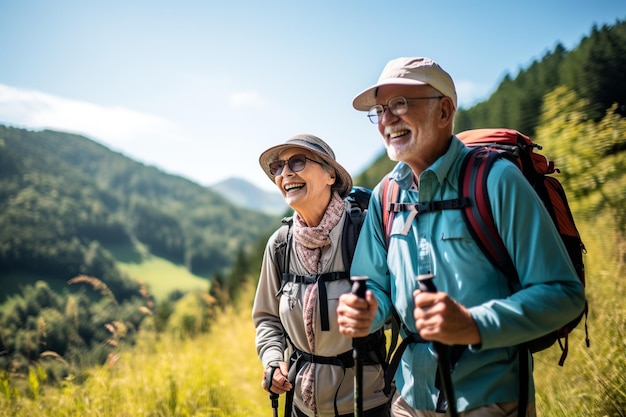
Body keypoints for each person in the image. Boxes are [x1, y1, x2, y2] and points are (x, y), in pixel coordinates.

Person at [336, 57, 586, 416]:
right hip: (408, 399)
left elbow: (563, 295)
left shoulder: (496, 181)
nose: (387, 119)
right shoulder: (385, 196)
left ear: (444, 111)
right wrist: (366, 311)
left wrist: (472, 325)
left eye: (401, 104)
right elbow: (373, 285)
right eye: (380, 109)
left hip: (490, 400)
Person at [252, 134, 391, 417]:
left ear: (331, 175)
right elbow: (267, 318)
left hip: (367, 402)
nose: (285, 173)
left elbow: (396, 304)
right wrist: (273, 360)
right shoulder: (280, 244)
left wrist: (375, 312)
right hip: (301, 403)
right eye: (278, 167)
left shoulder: (363, 231)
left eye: (298, 162)